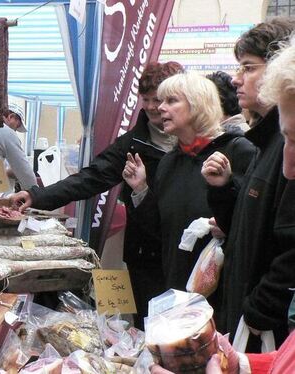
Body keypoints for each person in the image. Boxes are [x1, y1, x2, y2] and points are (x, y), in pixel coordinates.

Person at [152, 41, 295, 373]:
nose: (288, 170)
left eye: (172, 100)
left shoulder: (242, 148)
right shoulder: (169, 162)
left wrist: (258, 306)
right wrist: (241, 362)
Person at [9, 62, 183, 329]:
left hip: (186, 255)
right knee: (151, 329)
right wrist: (38, 196)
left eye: (158, 99)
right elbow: (90, 178)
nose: (151, 107)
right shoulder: (132, 143)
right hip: (147, 256)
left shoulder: (195, 141)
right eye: (145, 99)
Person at [201, 18, 295, 349]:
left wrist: (260, 308)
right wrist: (224, 192)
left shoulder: (279, 145)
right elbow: (250, 231)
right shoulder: (265, 143)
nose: (236, 79)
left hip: (266, 331)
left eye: (248, 68)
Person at [122, 72, 255, 296]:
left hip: (222, 294)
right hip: (177, 290)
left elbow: (252, 225)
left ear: (198, 105)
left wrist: (226, 190)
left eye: (171, 101)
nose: (160, 108)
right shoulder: (169, 162)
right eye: (161, 100)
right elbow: (161, 232)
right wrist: (141, 190)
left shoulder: (238, 151)